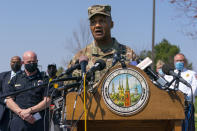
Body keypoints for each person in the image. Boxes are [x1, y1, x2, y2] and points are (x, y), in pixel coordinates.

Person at [68, 4, 137, 84]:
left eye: (102, 21)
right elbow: (68, 91)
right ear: (90, 26)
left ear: (111, 24)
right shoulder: (80, 58)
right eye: (93, 22)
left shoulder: (128, 54)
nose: (97, 25)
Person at [6, 51, 51, 131]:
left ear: (37, 61)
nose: (31, 63)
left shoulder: (44, 79)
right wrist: (21, 113)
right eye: (29, 62)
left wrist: (30, 110)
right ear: (23, 63)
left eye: (34, 61)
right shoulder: (16, 79)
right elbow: (9, 100)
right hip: (19, 121)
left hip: (37, 120)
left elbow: (47, 101)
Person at [164, 53, 197, 131]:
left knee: (187, 127)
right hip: (173, 105)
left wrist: (185, 98)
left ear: (184, 61)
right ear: (174, 62)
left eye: (181, 60)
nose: (179, 62)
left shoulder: (192, 74)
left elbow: (194, 88)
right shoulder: (168, 74)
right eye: (177, 60)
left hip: (187, 106)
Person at [0, 56, 22, 131]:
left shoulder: (25, 76)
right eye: (13, 62)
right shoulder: (2, 76)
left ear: (21, 63)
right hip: (4, 113)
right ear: (10, 63)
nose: (15, 64)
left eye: (17, 62)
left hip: (19, 112)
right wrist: (6, 100)